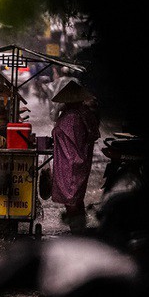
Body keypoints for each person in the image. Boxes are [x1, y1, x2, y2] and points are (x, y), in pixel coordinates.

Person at [50, 79, 101, 233]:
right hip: (79, 160)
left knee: (71, 197)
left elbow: (59, 132)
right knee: (76, 197)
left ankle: (77, 230)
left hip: (69, 162)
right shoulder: (84, 114)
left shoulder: (71, 116)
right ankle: (79, 227)